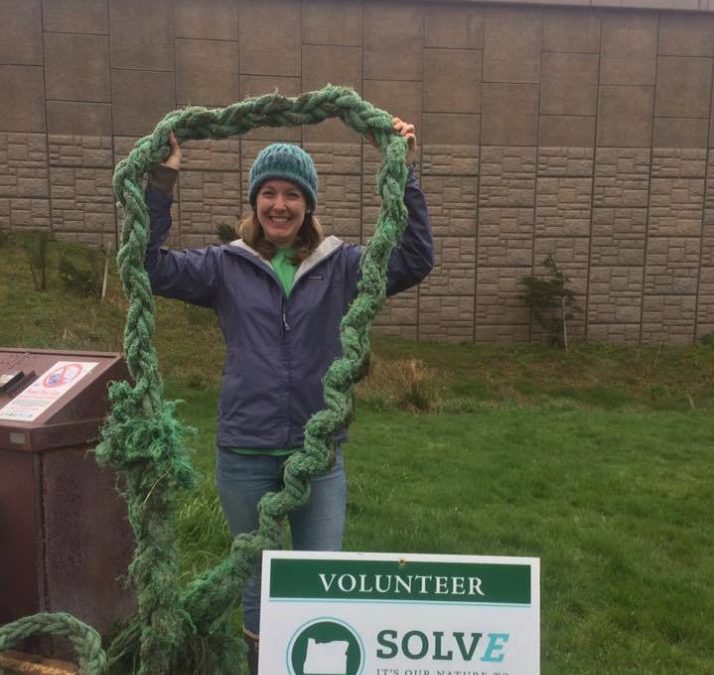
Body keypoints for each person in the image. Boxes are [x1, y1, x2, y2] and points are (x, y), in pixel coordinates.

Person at [144, 118, 432, 673]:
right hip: (245, 456)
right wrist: (162, 180)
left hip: (317, 458)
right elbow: (150, 265)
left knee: (320, 581)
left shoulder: (343, 266)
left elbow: (416, 259)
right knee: (257, 581)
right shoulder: (224, 267)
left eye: (292, 194)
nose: (279, 205)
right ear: (254, 203)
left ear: (308, 203)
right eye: (269, 193)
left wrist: (405, 171)